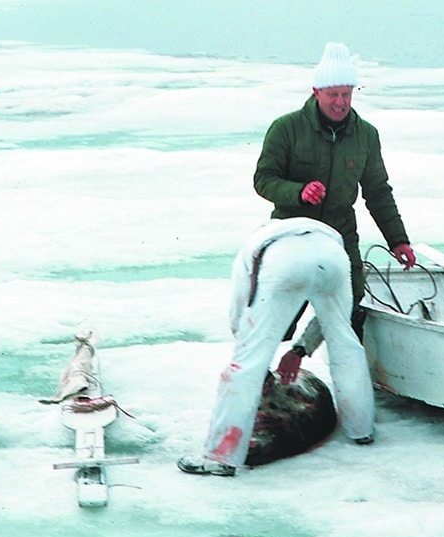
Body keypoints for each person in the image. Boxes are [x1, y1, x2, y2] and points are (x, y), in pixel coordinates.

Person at [253, 42, 416, 374]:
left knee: (349, 306)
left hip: (341, 232)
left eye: (347, 94)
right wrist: (299, 192)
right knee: (281, 309)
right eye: (333, 95)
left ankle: (311, 358)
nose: (341, 102)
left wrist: (398, 240)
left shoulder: (366, 135)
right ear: (316, 91)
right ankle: (262, 375)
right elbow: (264, 179)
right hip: (292, 229)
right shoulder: (286, 128)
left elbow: (378, 191)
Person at [177, 218, 375, 477]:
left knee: (246, 364)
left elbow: (241, 309)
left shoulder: (255, 247)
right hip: (335, 256)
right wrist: (302, 348)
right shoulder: (318, 233)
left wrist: (247, 347)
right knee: (345, 343)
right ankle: (361, 430)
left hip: (284, 263)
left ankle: (221, 457)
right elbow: (336, 317)